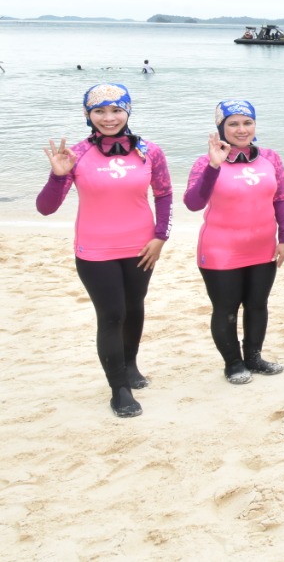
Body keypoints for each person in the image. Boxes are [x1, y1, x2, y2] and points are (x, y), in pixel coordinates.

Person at [36, 83, 173, 418]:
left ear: (128, 111)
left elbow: (165, 195)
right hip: (95, 249)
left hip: (141, 246)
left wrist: (160, 237)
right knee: (111, 315)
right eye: (99, 111)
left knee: (135, 307)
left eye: (116, 110)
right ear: (87, 114)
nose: (109, 118)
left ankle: (130, 365)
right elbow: (45, 209)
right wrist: (58, 177)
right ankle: (119, 390)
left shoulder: (149, 151)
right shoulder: (76, 154)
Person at [184, 100, 284, 385]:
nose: (241, 129)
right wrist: (213, 167)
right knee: (226, 309)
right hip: (221, 248)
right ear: (221, 127)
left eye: (247, 123)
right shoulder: (205, 161)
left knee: (258, 304)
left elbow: (281, 199)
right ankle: (233, 363)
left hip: (263, 245)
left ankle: (254, 358)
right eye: (233, 123)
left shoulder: (271, 158)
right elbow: (193, 203)